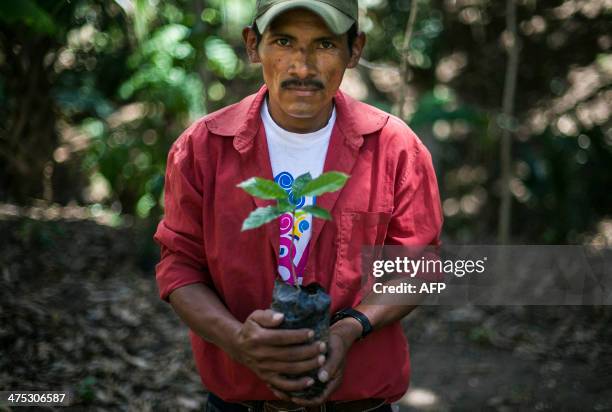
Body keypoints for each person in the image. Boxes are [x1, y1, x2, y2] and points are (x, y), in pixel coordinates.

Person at [153, 0, 443, 411]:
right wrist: (238, 340)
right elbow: (179, 264)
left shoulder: (394, 148)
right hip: (241, 400)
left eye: (324, 44)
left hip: (361, 401)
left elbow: (421, 265)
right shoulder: (202, 148)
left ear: (354, 50)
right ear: (253, 45)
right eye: (284, 41)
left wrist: (350, 328)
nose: (302, 67)